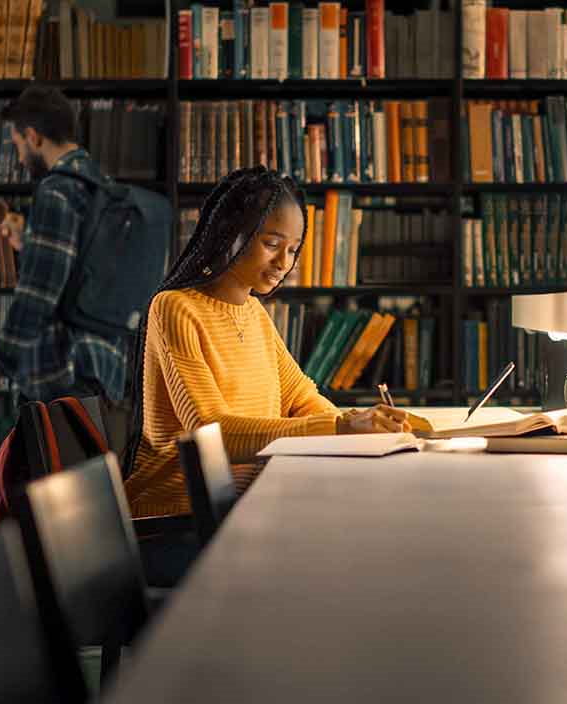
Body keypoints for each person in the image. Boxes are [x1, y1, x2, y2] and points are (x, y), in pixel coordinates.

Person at [122, 166, 409, 520]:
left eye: (293, 250)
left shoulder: (254, 313)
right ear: (230, 233)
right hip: (179, 514)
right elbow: (211, 433)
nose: (283, 263)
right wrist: (338, 427)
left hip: (245, 505)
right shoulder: (174, 308)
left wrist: (361, 425)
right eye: (271, 244)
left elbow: (303, 400)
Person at [0, 86, 128, 403]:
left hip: (63, 371)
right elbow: (79, 272)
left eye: (17, 145)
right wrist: (30, 242)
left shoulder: (56, 191)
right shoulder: (101, 186)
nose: (18, 157)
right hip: (106, 367)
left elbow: (39, 292)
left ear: (34, 137)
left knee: (55, 454)